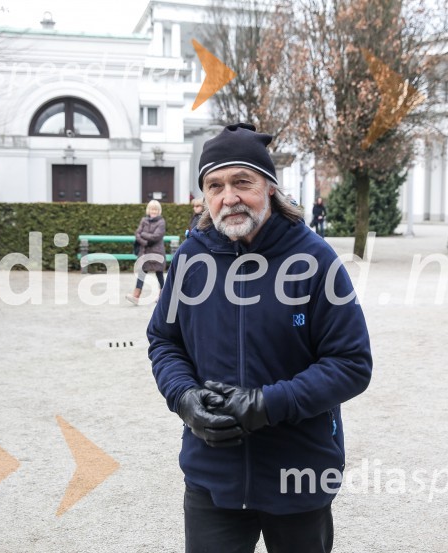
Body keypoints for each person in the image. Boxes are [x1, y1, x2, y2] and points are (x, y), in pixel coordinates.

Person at [147, 123, 372, 553]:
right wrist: (183, 398)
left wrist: (268, 404)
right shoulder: (191, 259)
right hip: (212, 474)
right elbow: (164, 340)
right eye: (214, 185)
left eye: (241, 182)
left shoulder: (314, 259)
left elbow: (351, 364)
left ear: (269, 187)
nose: (228, 197)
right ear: (203, 196)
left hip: (299, 473)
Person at [126, 200, 166, 305]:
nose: (154, 211)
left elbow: (156, 236)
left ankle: (164, 295)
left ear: (159, 211)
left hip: (157, 253)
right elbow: (137, 234)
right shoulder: (144, 220)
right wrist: (145, 241)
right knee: (141, 274)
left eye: (156, 209)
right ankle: (136, 296)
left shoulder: (161, 222)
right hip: (144, 252)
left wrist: (144, 235)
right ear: (149, 210)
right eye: (152, 209)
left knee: (159, 274)